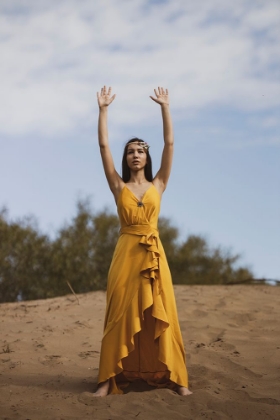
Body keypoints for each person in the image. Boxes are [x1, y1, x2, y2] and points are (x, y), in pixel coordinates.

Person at [94, 85, 192, 397]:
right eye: (130, 151)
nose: (135, 155)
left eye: (140, 151)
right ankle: (105, 381)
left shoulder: (159, 183)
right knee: (118, 312)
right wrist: (103, 110)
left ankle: (177, 379)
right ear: (126, 159)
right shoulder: (117, 186)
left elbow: (170, 143)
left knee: (163, 310)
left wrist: (165, 106)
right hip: (125, 254)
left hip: (153, 254)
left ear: (147, 158)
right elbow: (103, 146)